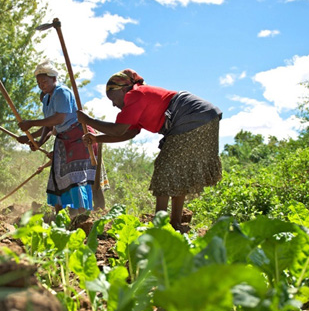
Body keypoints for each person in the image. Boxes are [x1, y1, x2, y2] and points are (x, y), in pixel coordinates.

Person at [76, 69, 222, 232]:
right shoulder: (135, 102)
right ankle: (174, 224)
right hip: (205, 117)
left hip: (192, 116)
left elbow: (118, 130)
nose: (114, 104)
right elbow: (128, 132)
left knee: (165, 168)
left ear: (123, 90)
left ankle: (159, 225)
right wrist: (97, 138)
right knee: (180, 172)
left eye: (113, 99)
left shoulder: (135, 95)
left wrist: (88, 120)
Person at [17, 60, 99, 217]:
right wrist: (38, 142)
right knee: (57, 176)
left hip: (78, 138)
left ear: (54, 79)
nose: (42, 85)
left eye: (44, 81)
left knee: (76, 176)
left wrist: (31, 123)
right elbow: (49, 126)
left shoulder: (62, 92)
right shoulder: (46, 99)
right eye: (39, 82)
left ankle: (82, 216)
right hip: (63, 139)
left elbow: (59, 119)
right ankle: (59, 216)